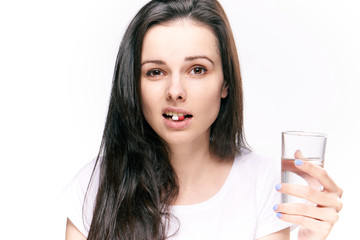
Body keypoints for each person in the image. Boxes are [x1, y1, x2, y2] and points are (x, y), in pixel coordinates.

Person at [63, 0, 343, 239]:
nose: (175, 92)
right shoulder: (94, 186)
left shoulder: (267, 185)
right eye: (155, 72)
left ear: (226, 83)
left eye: (197, 70)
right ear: (132, 86)